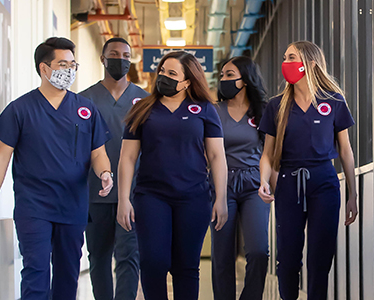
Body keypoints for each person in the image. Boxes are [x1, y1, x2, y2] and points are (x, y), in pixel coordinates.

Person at [0, 37, 113, 300]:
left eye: (73, 64)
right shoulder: (20, 109)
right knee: (36, 272)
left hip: (72, 206)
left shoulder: (85, 109)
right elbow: (0, 158)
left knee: (67, 275)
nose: (70, 70)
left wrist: (105, 173)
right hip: (34, 207)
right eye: (62, 64)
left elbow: (98, 152)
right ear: (44, 68)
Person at [117, 51, 228, 300]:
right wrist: (123, 199)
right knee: (153, 262)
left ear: (187, 81)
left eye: (172, 73)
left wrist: (221, 197)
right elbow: (128, 157)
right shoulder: (142, 109)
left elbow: (217, 156)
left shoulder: (205, 109)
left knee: (186, 266)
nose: (164, 77)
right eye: (162, 71)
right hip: (151, 196)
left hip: (194, 197)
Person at [258, 40, 358, 300]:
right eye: (284, 57)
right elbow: (267, 154)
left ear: (310, 63)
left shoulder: (334, 101)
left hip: (324, 182)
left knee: (320, 258)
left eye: (291, 57)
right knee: (288, 258)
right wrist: (264, 180)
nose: (285, 63)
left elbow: (346, 150)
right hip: (289, 182)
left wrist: (352, 194)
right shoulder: (276, 105)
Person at [80, 37, 148, 300]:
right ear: (103, 59)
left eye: (126, 55)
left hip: (131, 194)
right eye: (114, 54)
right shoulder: (84, 100)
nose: (120, 59)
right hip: (95, 193)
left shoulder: (143, 100)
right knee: (98, 255)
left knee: (129, 255)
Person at [211, 56, 271, 300]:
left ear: (244, 80)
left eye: (229, 75)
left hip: (254, 184)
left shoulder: (264, 111)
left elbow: (271, 152)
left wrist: (272, 184)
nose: (224, 80)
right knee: (222, 254)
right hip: (220, 184)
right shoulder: (214, 111)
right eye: (222, 75)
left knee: (258, 250)